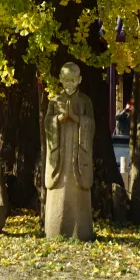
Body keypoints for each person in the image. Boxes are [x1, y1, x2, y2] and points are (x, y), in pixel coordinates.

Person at [44, 62, 94, 241]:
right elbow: (47, 123)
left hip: (78, 155)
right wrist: (59, 119)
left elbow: (92, 125)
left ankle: (81, 231)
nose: (69, 84)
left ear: (79, 80)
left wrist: (78, 119)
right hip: (60, 155)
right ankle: (54, 229)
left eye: (73, 80)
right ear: (60, 79)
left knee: (77, 191)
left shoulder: (85, 101)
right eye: (66, 80)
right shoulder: (54, 101)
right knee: (59, 187)